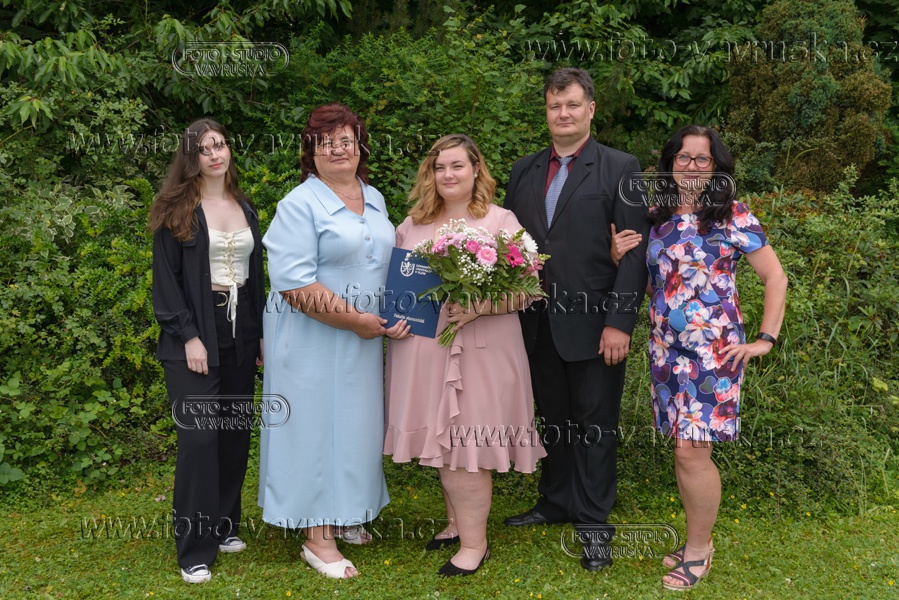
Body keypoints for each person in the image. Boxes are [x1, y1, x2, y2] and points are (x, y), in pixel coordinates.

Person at [610, 125, 787, 590]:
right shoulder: (656, 218)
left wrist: (765, 339)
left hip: (714, 355)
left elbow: (775, 278)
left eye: (702, 159)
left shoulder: (733, 215)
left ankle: (699, 550)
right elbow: (648, 280)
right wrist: (616, 254)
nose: (691, 166)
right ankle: (696, 540)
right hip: (666, 353)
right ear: (670, 163)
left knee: (692, 451)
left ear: (716, 167)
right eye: (683, 157)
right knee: (683, 449)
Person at [502, 67, 651, 571]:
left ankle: (593, 524)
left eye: (571, 105)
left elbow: (634, 251)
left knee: (594, 426)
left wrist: (620, 322)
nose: (562, 114)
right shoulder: (523, 170)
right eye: (554, 106)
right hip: (534, 322)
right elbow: (511, 246)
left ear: (591, 109)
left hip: (595, 323)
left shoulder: (621, 167)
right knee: (554, 419)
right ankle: (556, 500)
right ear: (546, 112)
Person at [258, 103, 410, 579]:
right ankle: (316, 537)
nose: (338, 149)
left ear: (360, 146)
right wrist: (356, 320)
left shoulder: (375, 197)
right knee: (313, 428)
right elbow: (295, 284)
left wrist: (395, 314)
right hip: (311, 338)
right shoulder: (298, 204)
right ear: (311, 152)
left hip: (362, 336)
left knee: (355, 424)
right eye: (326, 142)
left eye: (346, 140)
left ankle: (346, 513)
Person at [384, 134, 546, 577]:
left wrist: (482, 306)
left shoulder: (500, 220)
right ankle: (456, 524)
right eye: (439, 167)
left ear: (476, 170)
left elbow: (530, 289)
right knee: (442, 440)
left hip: (483, 349)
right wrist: (391, 319)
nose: (447, 175)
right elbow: (397, 288)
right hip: (423, 348)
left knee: (465, 442)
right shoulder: (412, 224)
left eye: (457, 166)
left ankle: (475, 545)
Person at [151, 119, 265, 584]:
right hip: (195, 332)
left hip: (241, 329)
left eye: (220, 145)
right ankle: (194, 550)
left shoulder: (245, 206)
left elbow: (256, 275)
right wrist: (189, 336)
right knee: (199, 439)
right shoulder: (176, 210)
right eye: (204, 149)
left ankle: (224, 525)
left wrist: (259, 333)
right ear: (191, 157)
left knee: (233, 432)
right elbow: (166, 282)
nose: (215, 154)